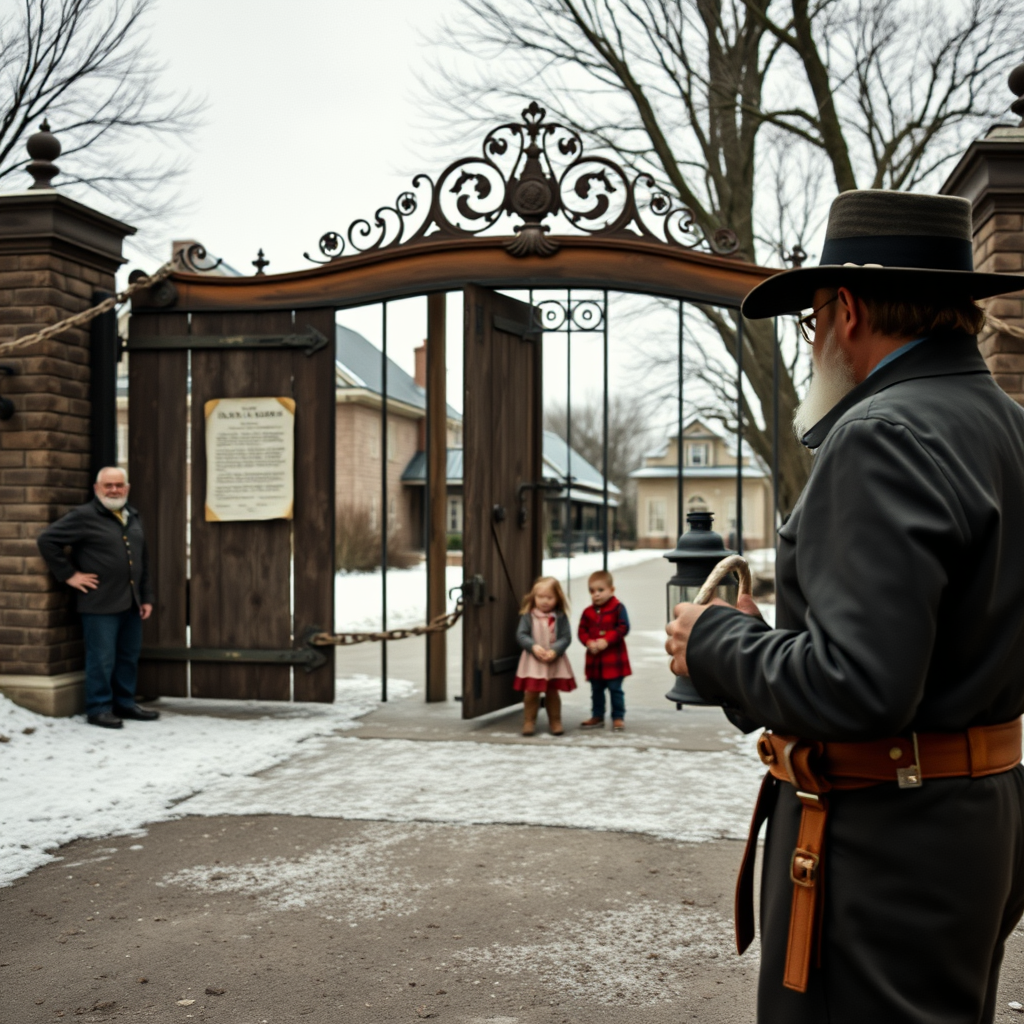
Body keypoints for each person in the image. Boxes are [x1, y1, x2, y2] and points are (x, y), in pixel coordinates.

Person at [665, 189, 1024, 1023]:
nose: (814, 343)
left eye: (813, 321)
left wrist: (716, 640)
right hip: (974, 822)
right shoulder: (1008, 423)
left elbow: (858, 687)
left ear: (847, 311)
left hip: (886, 846)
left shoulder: (884, 434)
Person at [37, 466, 157, 730]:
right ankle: (99, 708)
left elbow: (142, 561)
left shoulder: (132, 516)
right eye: (108, 485)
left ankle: (124, 703)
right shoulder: (83, 516)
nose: (114, 490)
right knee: (101, 658)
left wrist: (146, 597)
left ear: (126, 488)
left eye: (118, 485)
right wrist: (69, 575)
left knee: (127, 656)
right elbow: (47, 540)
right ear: (97, 488)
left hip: (132, 602)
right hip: (99, 602)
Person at [513, 576, 575, 736]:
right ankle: (529, 721)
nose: (544, 601)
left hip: (554, 660)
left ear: (558, 598)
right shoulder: (528, 615)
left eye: (549, 597)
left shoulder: (560, 616)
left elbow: (566, 637)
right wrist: (533, 646)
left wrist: (555, 650)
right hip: (534, 660)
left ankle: (555, 721)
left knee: (552, 692)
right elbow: (521, 635)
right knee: (531, 692)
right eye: (540, 597)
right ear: (534, 597)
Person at [578, 570, 631, 732]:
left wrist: (606, 640)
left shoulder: (618, 608)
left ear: (611, 590)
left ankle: (618, 717)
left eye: (600, 590)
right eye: (592, 591)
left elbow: (623, 627)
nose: (596, 595)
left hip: (613, 660)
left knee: (615, 689)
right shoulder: (588, 612)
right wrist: (587, 641)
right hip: (595, 661)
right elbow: (582, 630)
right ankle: (597, 715)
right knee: (596, 690)